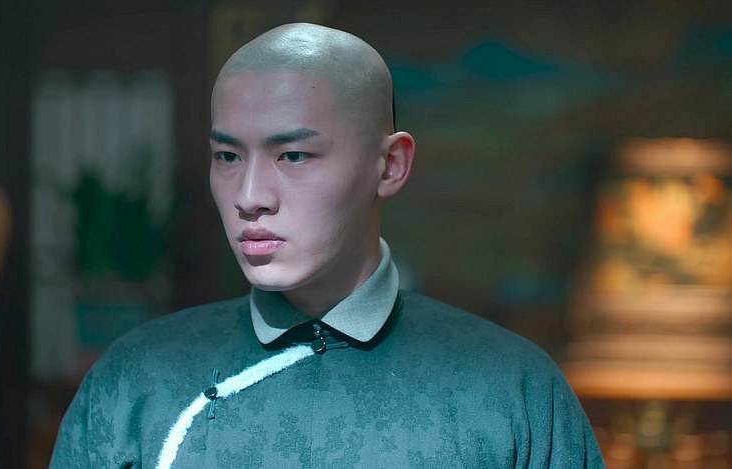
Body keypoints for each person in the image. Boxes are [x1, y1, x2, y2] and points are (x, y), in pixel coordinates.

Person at [50, 23, 604, 468]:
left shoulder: (512, 389)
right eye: (228, 156)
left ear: (390, 165)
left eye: (293, 156)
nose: (250, 197)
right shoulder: (135, 381)